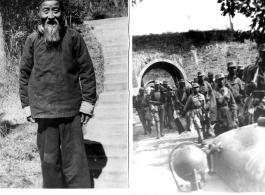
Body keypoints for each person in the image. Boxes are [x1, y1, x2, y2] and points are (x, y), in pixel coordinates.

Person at [19, 0, 96, 188]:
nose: (51, 16)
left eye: (56, 11)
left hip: (71, 110)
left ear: (62, 13)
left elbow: (86, 71)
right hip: (44, 113)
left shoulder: (74, 37)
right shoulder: (32, 40)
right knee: (49, 161)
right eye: (46, 11)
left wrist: (87, 104)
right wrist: (28, 106)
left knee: (75, 162)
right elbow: (24, 74)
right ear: (39, 13)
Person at [242, 44, 265, 122]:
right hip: (256, 102)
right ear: (261, 54)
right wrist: (251, 86)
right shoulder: (253, 69)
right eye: (264, 53)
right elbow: (246, 90)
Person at [225, 61, 245, 126]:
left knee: (242, 122)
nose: (233, 70)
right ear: (228, 69)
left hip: (239, 104)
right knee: (232, 124)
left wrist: (240, 97)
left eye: (234, 68)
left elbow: (242, 91)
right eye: (231, 68)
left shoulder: (238, 80)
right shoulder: (225, 81)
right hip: (229, 105)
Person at [197, 71, 212, 138]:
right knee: (201, 119)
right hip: (200, 104)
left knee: (208, 118)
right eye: (200, 77)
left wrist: (210, 100)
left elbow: (211, 92)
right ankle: (203, 133)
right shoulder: (196, 85)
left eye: (202, 76)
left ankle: (208, 131)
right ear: (198, 77)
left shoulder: (207, 84)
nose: (201, 78)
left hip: (207, 103)